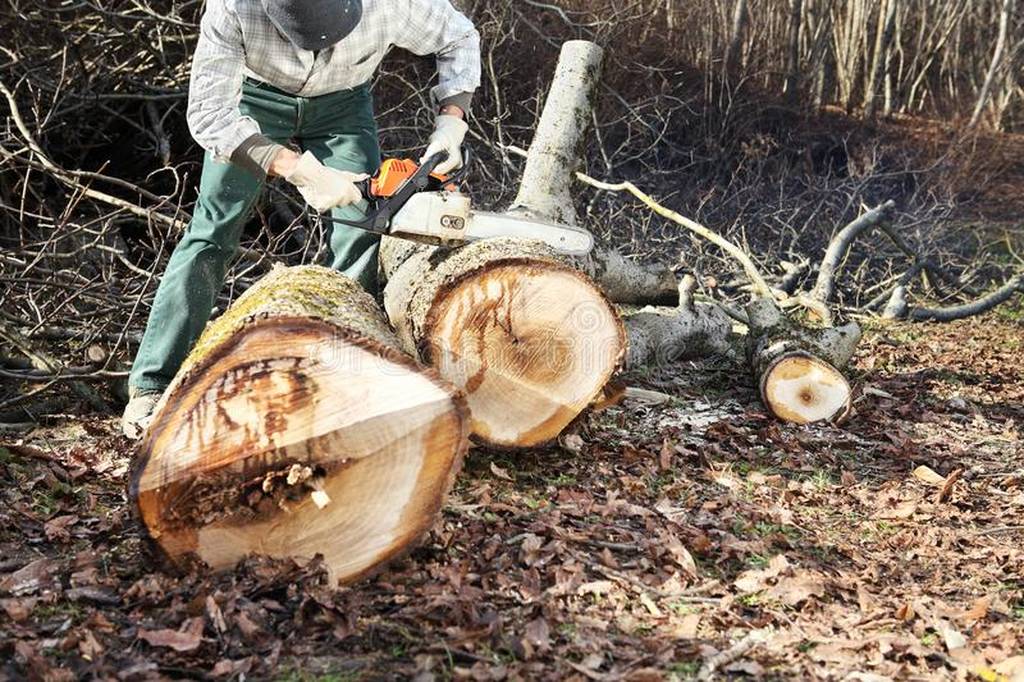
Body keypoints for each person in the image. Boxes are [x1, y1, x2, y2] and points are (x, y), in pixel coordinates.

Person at [121, 0, 480, 438]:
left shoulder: (392, 4)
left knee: (362, 227)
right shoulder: (233, 9)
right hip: (254, 102)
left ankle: (342, 376)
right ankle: (152, 384)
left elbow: (459, 36)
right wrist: (296, 167)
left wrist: (452, 123)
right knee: (212, 234)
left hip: (342, 106)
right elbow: (210, 115)